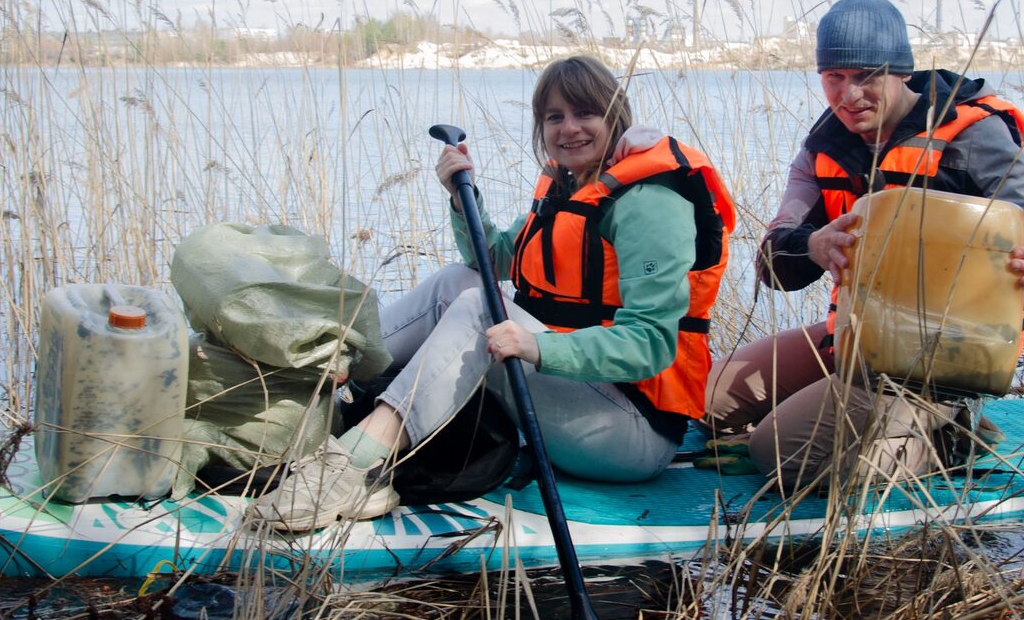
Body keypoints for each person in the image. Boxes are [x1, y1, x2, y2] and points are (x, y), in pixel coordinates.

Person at [254, 55, 736, 532]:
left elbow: (651, 344)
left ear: (616, 118)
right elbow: (492, 258)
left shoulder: (650, 203)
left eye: (585, 112)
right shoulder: (568, 189)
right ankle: (314, 385)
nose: (569, 128)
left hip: (630, 432)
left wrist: (537, 346)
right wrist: (461, 196)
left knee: (480, 309)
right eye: (554, 117)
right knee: (456, 284)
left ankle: (354, 466)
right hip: (570, 399)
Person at [704, 0, 1024, 490]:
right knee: (706, 401)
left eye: (866, 76)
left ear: (901, 73)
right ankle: (846, 409)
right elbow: (772, 264)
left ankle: (952, 437)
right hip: (853, 340)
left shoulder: (974, 136)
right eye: (834, 77)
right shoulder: (822, 149)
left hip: (940, 363)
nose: (849, 95)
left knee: (776, 452)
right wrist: (813, 246)